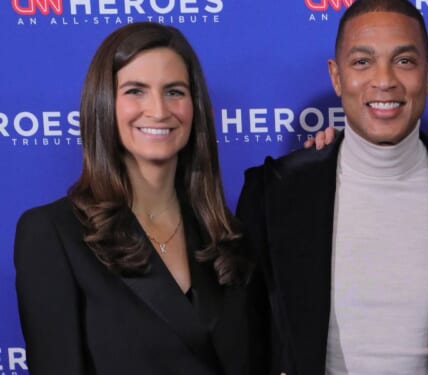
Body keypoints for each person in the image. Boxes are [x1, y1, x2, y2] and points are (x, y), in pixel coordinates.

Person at [236, 0, 428, 373]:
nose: (384, 80)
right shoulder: (272, 193)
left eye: (404, 61)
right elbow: (249, 343)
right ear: (336, 77)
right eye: (362, 61)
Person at [14, 22, 265, 375]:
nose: (159, 110)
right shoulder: (54, 234)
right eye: (136, 91)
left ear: (195, 107)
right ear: (103, 104)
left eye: (175, 91)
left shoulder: (228, 236)